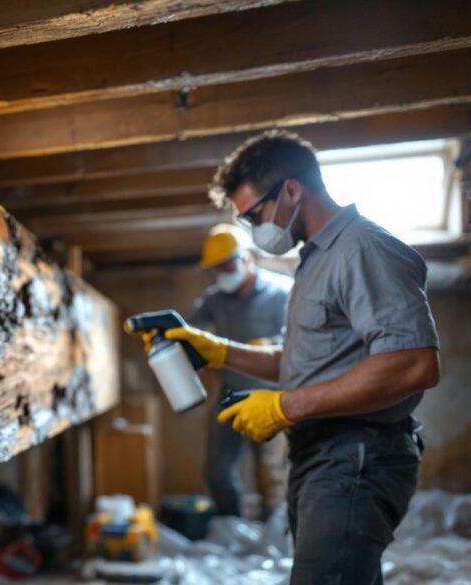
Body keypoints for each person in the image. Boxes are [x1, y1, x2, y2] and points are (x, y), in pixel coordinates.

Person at [147, 130, 440, 584]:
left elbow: (414, 363)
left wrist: (284, 406)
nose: (253, 228)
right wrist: (219, 351)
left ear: (291, 190)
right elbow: (301, 360)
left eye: (254, 214)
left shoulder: (362, 247)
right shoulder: (314, 260)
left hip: (356, 456)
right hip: (320, 456)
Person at [188, 225, 291, 520]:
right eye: (216, 269)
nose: (222, 274)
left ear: (246, 258)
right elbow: (190, 329)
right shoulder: (215, 300)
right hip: (231, 392)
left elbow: (304, 341)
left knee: (271, 473)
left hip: (273, 394)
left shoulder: (282, 292)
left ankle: (272, 531)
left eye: (227, 266)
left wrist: (273, 344)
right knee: (217, 470)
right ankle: (231, 526)